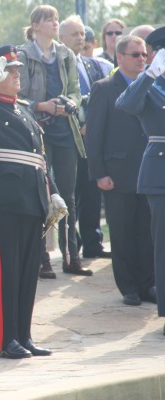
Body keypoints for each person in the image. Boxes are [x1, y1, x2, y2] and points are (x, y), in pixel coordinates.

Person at [0, 45, 64, 359]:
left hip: (32, 197)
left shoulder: (24, 109)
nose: (17, 76)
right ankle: (7, 340)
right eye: (10, 71)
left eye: (18, 70)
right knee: (7, 271)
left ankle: (25, 335)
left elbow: (38, 157)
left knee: (28, 270)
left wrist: (53, 191)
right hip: (4, 198)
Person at [17, 5, 90, 278]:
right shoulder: (23, 55)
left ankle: (71, 257)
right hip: (36, 132)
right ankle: (42, 259)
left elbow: (75, 91)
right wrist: (42, 106)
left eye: (56, 19)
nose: (55, 24)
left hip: (64, 130)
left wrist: (66, 104)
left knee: (68, 196)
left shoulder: (66, 54)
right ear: (35, 25)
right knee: (42, 195)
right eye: (49, 20)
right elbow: (19, 96)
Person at [85, 35, 154, 306]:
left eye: (143, 55)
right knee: (123, 233)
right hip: (118, 172)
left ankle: (149, 284)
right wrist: (99, 172)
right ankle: (129, 287)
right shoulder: (104, 88)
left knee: (147, 232)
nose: (141, 59)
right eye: (135, 55)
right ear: (120, 57)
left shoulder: (152, 86)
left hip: (147, 172)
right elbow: (94, 134)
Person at [115, 27, 165, 328]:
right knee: (162, 247)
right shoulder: (149, 85)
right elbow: (126, 105)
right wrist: (148, 74)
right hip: (160, 173)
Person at [59, 15, 110, 259]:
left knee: (91, 193)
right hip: (67, 138)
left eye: (82, 34)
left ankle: (93, 242)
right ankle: (71, 245)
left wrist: (92, 124)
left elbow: (97, 100)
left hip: (92, 139)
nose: (81, 38)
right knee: (70, 195)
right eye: (74, 34)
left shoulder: (91, 64)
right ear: (61, 38)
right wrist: (78, 123)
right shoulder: (56, 65)